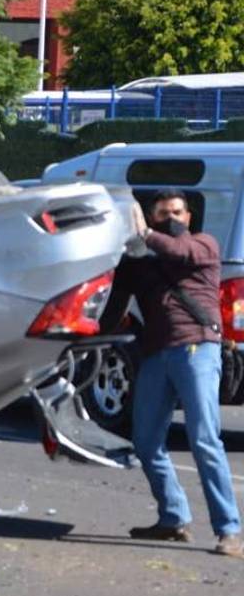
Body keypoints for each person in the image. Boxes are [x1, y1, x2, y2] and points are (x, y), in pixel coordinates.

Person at [100, 189, 242, 558]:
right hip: (156, 354)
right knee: (146, 442)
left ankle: (229, 530)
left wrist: (146, 234)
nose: (172, 219)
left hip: (197, 349)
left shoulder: (203, 244)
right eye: (163, 214)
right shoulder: (138, 264)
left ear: (189, 216)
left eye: (177, 212)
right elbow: (113, 308)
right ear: (151, 216)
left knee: (204, 440)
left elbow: (178, 250)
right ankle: (173, 518)